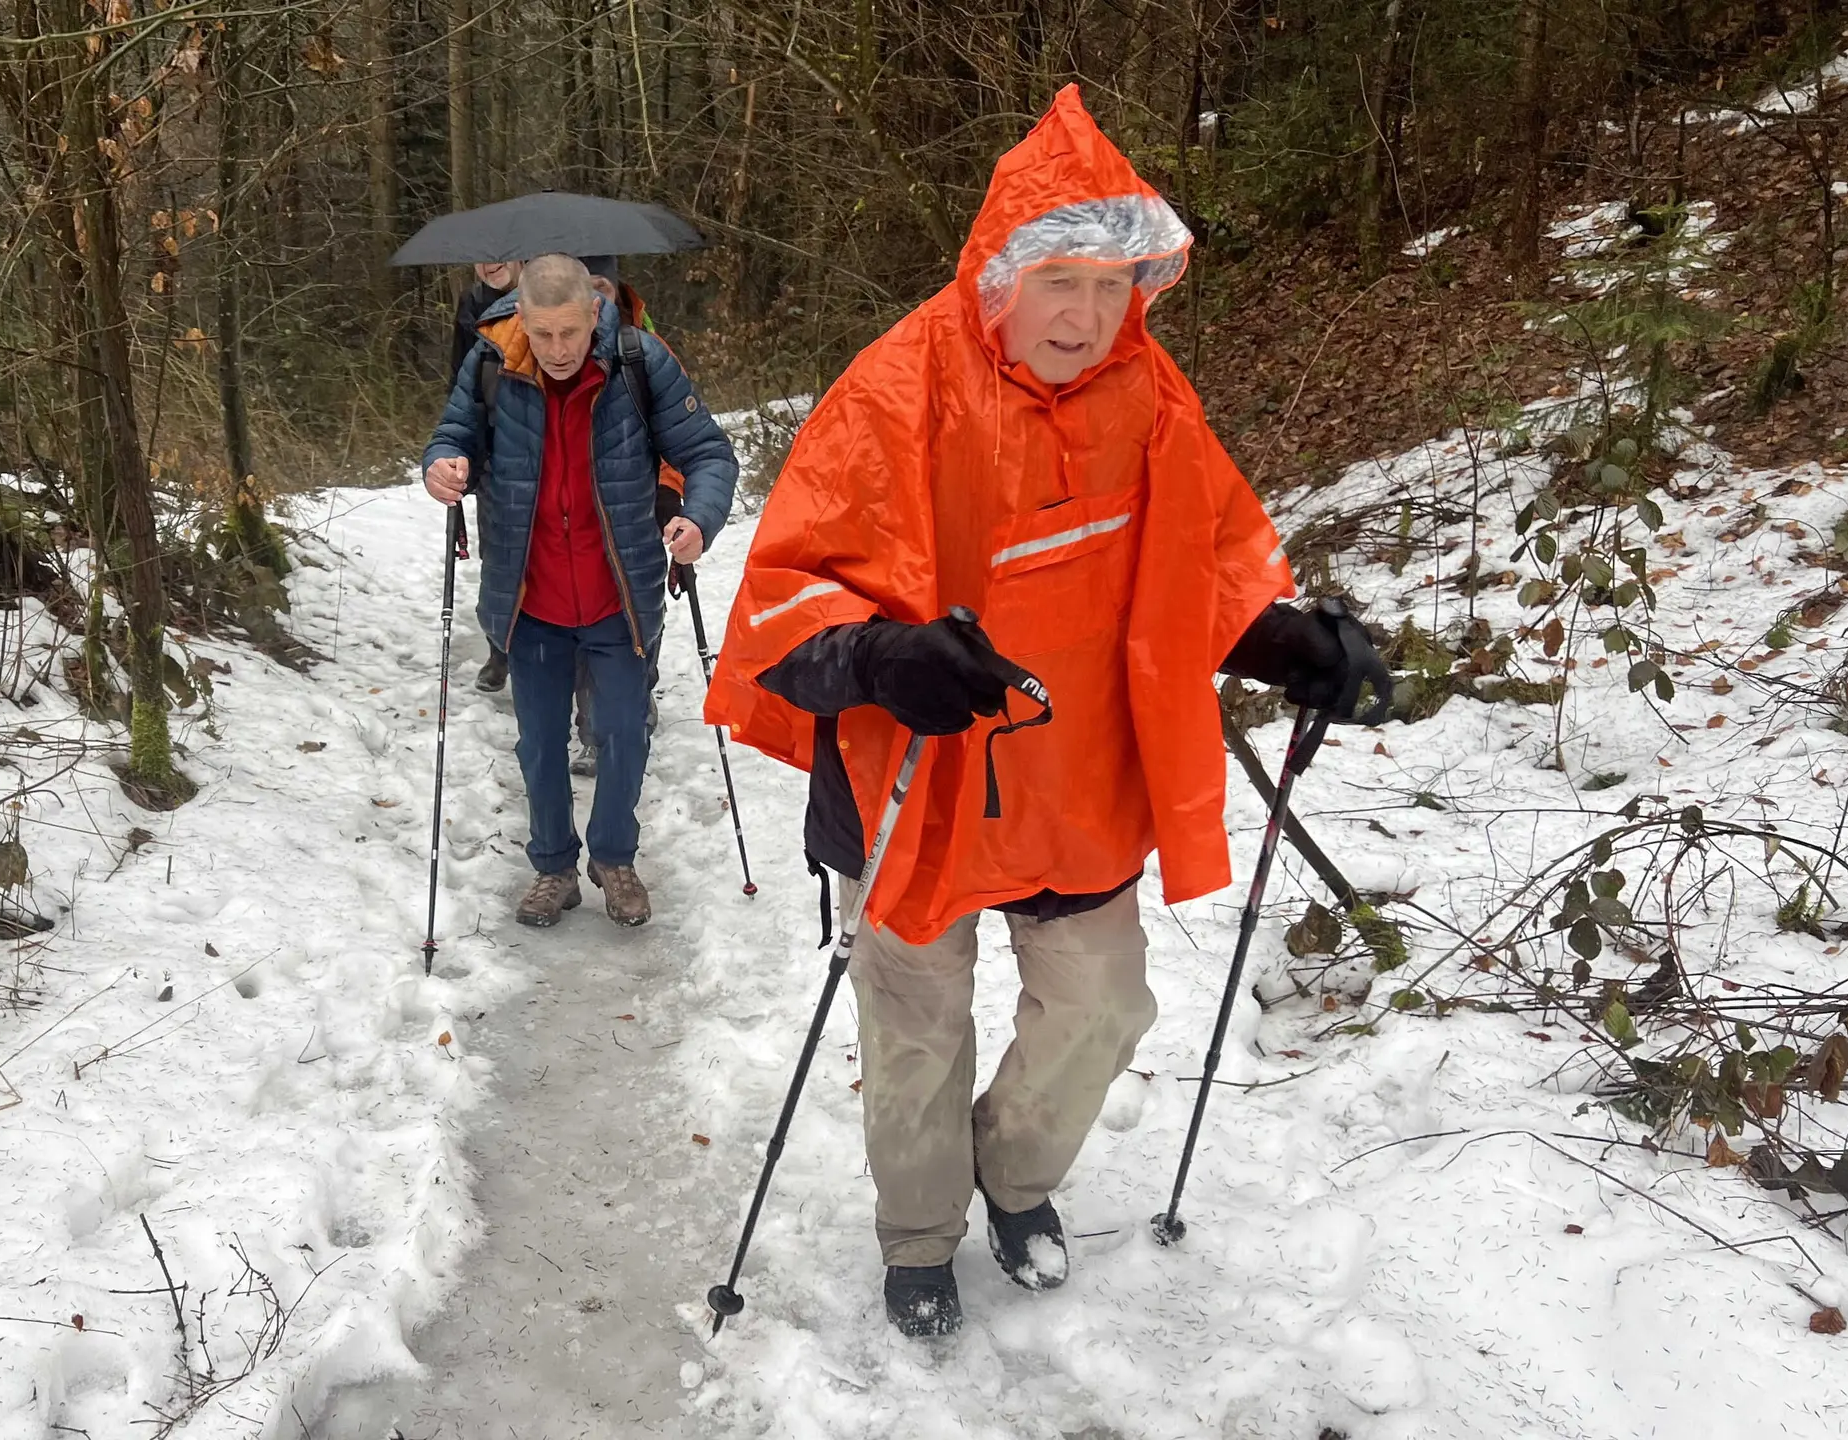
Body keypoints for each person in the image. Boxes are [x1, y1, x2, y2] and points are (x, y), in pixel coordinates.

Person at [704, 87, 1384, 1337]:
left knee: (1103, 1008)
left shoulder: (1150, 394)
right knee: (917, 1036)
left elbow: (1207, 559)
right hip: (919, 779)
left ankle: (1014, 1181)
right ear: (1003, 277)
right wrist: (879, 656)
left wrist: (1285, 639)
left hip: (1081, 782)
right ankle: (919, 1236)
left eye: (1112, 284)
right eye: (1058, 281)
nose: (1084, 315)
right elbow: (782, 604)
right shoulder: (897, 388)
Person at [425, 253, 737, 928]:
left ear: (593, 313)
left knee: (623, 732)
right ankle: (553, 869)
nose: (559, 350)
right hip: (530, 598)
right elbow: (454, 436)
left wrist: (698, 519)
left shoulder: (637, 361)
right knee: (538, 743)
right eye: (544, 335)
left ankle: (614, 859)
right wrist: (444, 467)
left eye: (570, 333)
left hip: (617, 595)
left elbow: (709, 453)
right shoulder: (491, 362)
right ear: (522, 320)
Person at [568, 255, 683, 776]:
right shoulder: (558, 349)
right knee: (582, 628)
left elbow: (681, 436)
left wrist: (671, 492)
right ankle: (593, 729)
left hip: (639, 510)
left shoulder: (645, 349)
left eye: (602, 286)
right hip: (578, 521)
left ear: (617, 289)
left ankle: (639, 694)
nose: (595, 299)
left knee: (641, 619)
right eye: (583, 287)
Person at [452, 260, 523, 695]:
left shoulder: (546, 293)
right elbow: (458, 381)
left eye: (502, 251)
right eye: (481, 253)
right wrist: (460, 448)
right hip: (493, 451)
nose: (490, 260)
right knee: (497, 557)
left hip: (536, 447)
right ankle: (500, 651)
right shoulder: (471, 304)